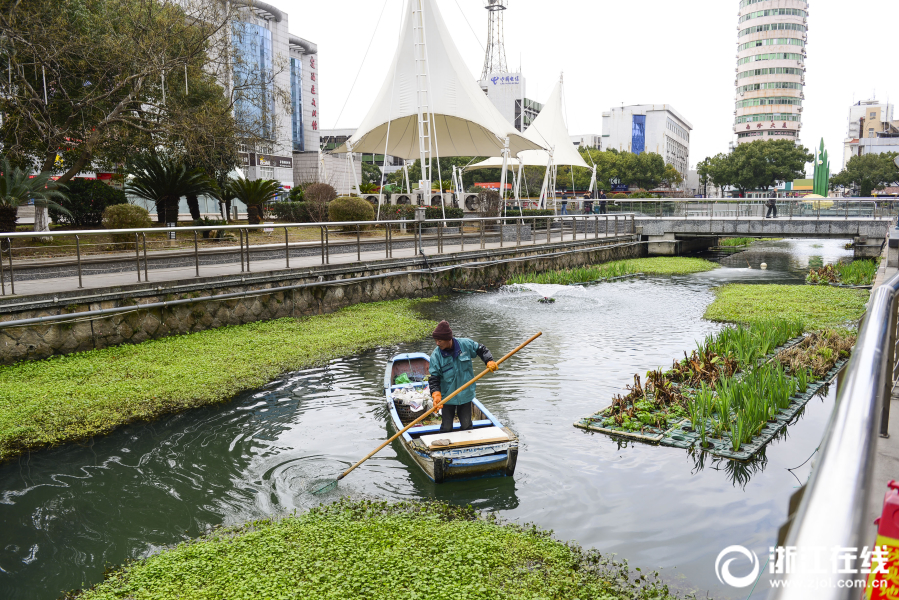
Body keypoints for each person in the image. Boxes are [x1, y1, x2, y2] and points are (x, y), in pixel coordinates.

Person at [428, 321, 497, 433]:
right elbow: (434, 378)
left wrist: (489, 360)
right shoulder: (436, 355)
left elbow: (481, 349)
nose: (437, 343)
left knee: (466, 425)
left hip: (465, 395)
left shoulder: (465, 345)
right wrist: (436, 394)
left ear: (448, 339)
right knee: (447, 427)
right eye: (435, 340)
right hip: (447, 397)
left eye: (439, 341)